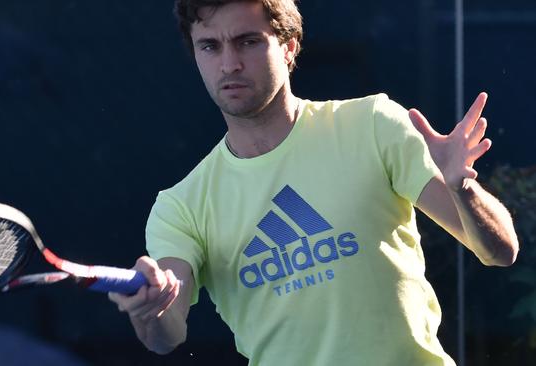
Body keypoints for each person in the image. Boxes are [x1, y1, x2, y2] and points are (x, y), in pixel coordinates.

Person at [108, 1, 520, 365]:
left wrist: (461, 188)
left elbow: (500, 251)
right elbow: (167, 335)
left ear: (288, 48)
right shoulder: (180, 206)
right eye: (210, 46)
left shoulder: (373, 124)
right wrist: (152, 311)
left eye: (248, 41)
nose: (229, 64)